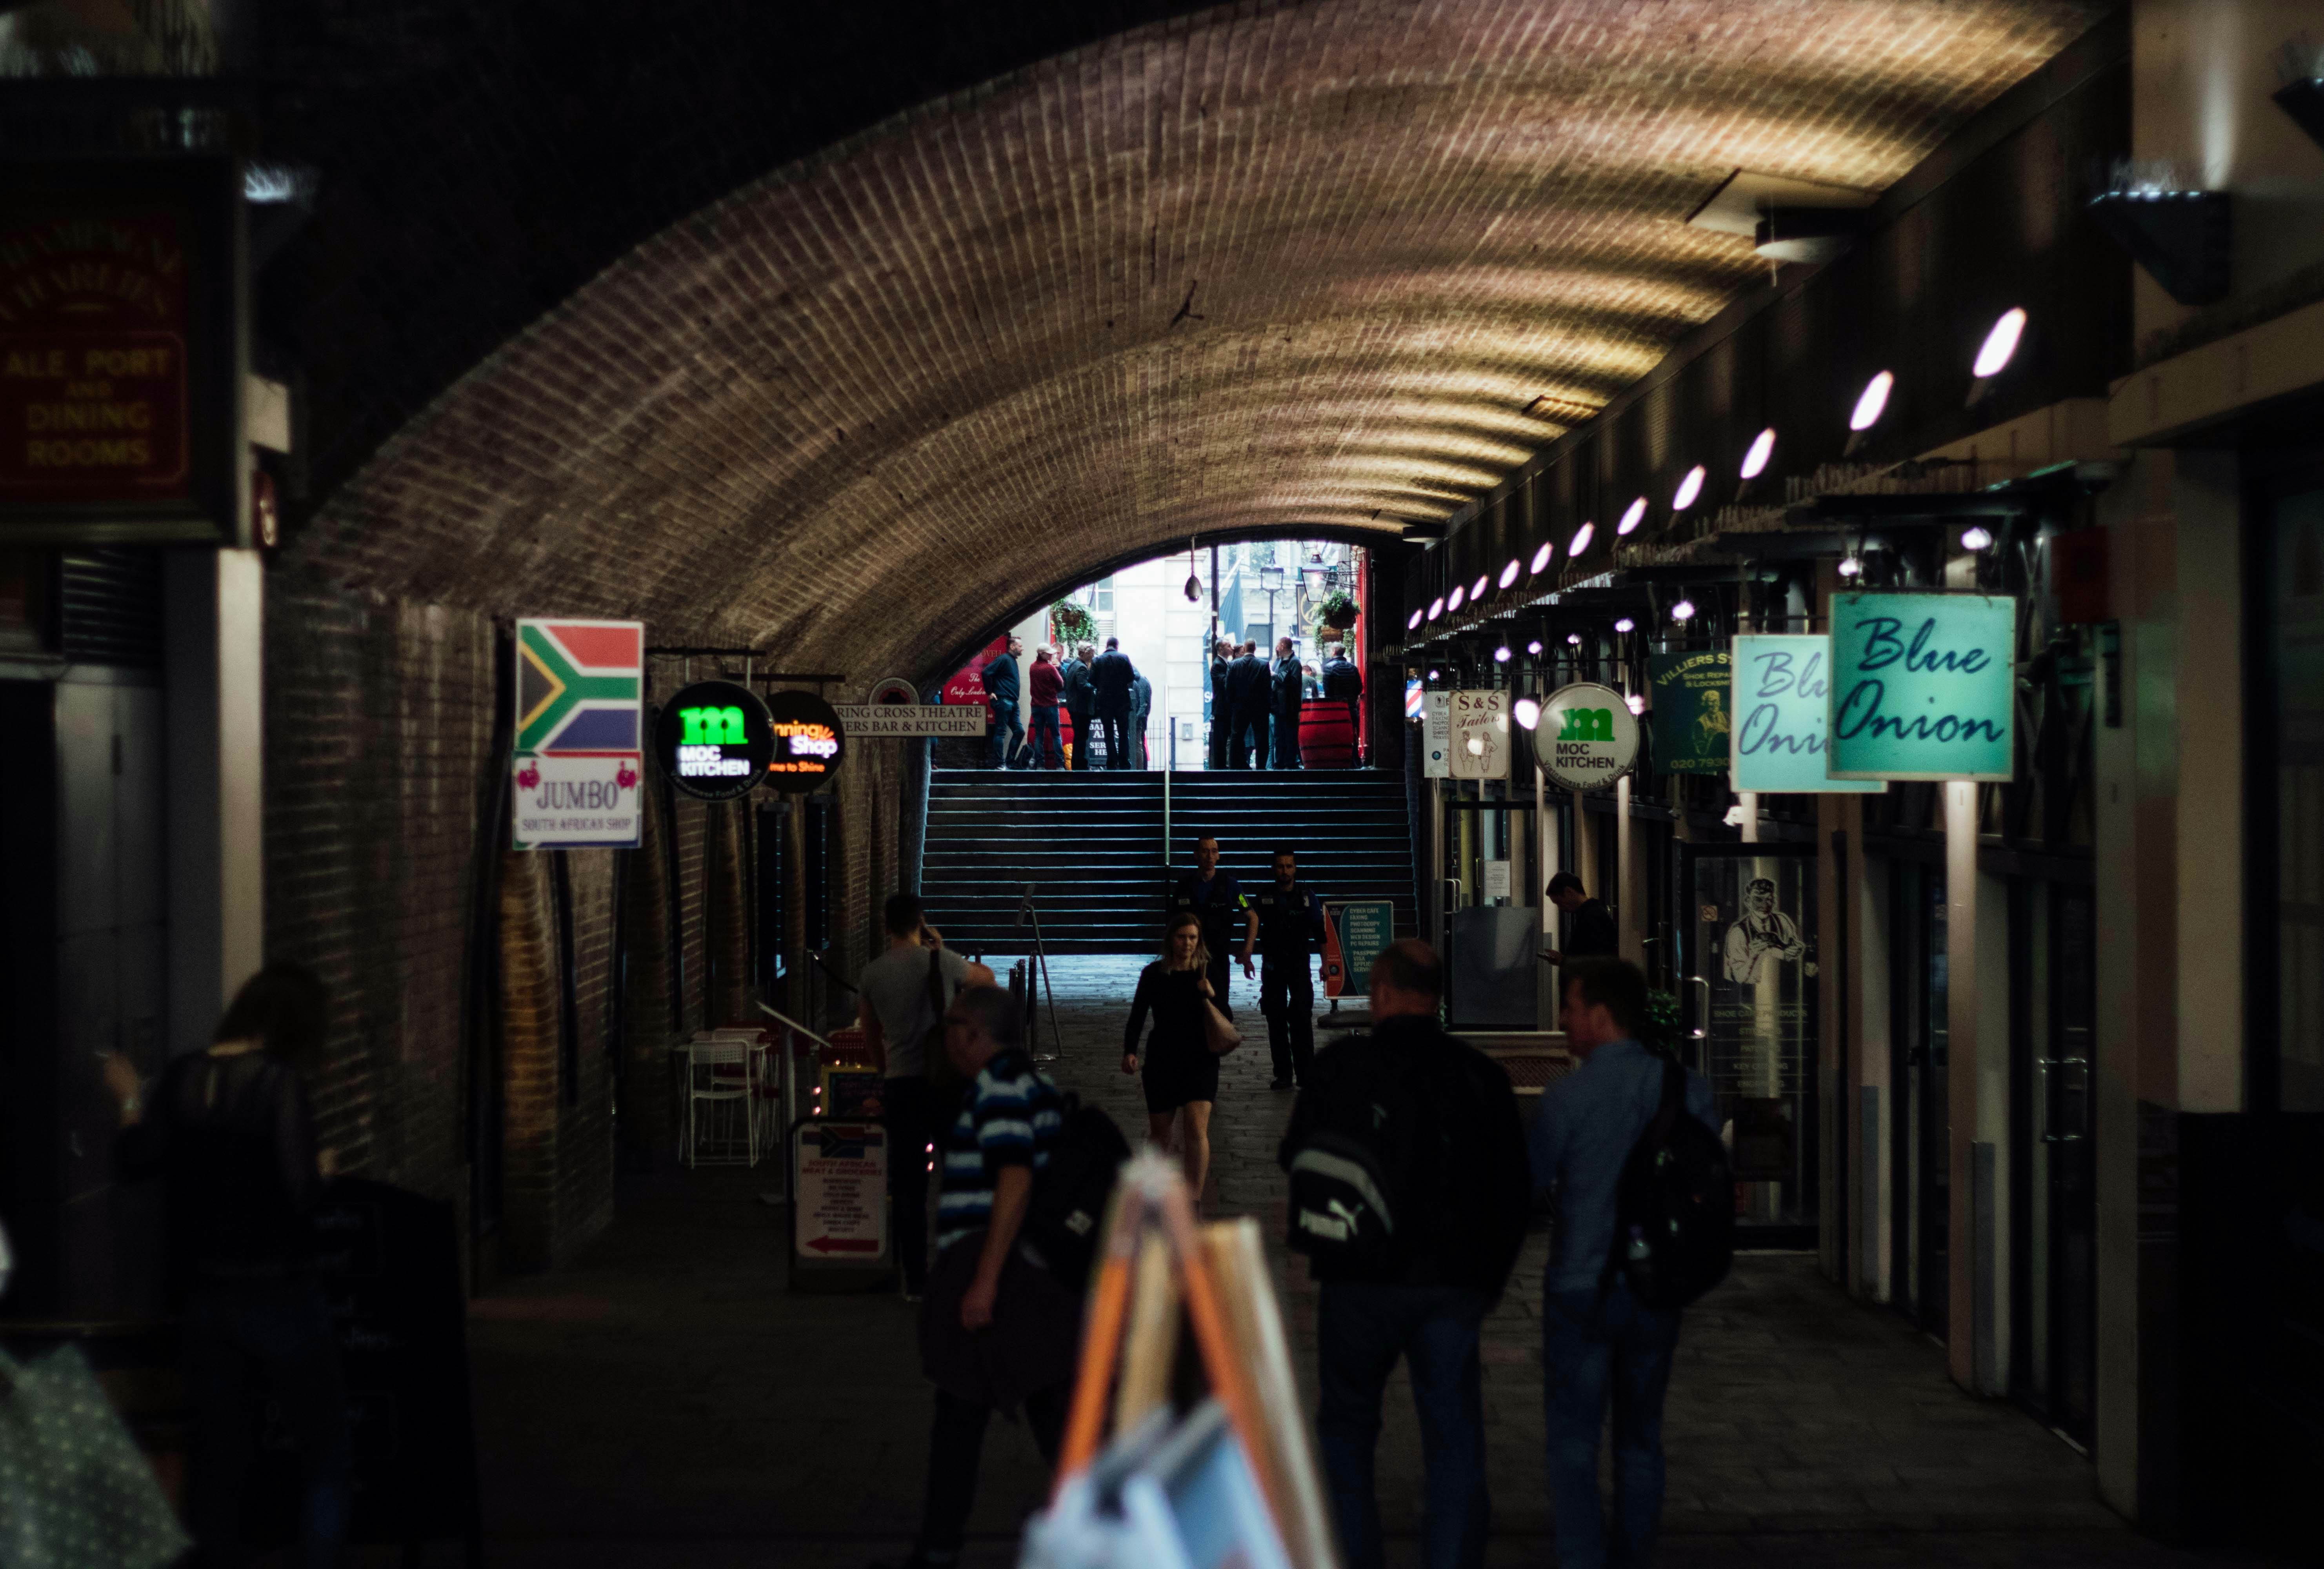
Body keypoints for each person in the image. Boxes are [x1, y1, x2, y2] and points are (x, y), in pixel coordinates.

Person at [1280, 940, 1530, 1569]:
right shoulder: (1478, 1075)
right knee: (1453, 1438)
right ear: (1437, 997)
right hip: (1450, 1282)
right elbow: (1513, 1190)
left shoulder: (1341, 1067)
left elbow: (1296, 1156)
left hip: (1357, 1278)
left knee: (1346, 1431)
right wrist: (1490, 1279)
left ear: (1382, 993)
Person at [103, 964, 353, 1569]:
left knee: (219, 1464)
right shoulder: (277, 1084)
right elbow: (301, 1199)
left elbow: (135, 1161)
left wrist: (130, 1097)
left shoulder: (184, 1075)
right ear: (294, 1028)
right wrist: (323, 1171)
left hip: (205, 1302)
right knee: (326, 1453)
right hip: (279, 1296)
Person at [1528, 958, 1717, 1569]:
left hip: (1580, 1288)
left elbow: (1527, 1183)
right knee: (1640, 1440)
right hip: (1657, 1284)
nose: (1563, 1019)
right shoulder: (1689, 1090)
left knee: (1573, 1444)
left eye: (1570, 1007)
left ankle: (1582, 1558)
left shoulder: (1566, 1098)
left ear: (1601, 1016)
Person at [892, 984, 1074, 1569]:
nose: (944, 1038)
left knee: (988, 1414)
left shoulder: (999, 1090)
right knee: (990, 1412)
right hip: (1024, 1274)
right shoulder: (1035, 1085)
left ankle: (940, 1549)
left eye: (951, 1026)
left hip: (1000, 1271)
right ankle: (939, 1546)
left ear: (974, 1033)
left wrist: (986, 1278)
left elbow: (1014, 1176)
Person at [856, 894, 997, 1299]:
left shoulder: (872, 973)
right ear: (920, 922)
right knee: (958, 1176)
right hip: (945, 1082)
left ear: (886, 926)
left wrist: (885, 1070)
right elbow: (986, 979)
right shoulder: (942, 962)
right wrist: (940, 947)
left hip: (902, 1084)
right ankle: (958, 1268)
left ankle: (915, 1280)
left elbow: (870, 1033)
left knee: (908, 1185)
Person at [1120, 914, 1229, 1203]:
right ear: (1171, 939)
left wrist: (1212, 994)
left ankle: (1194, 1199)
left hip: (1200, 1059)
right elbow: (1137, 1015)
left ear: (1199, 940)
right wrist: (1130, 1051)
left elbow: (1226, 1018)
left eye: (1193, 938)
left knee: (1196, 1128)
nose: (1187, 943)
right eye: (1182, 937)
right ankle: (1155, 1195)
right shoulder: (1153, 974)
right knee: (1160, 1134)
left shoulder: (1209, 971)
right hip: (1163, 1060)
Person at [1251, 846, 1326, 1090]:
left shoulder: (1308, 897)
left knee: (1302, 1018)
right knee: (1276, 1020)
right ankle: (1283, 1074)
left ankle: (1306, 1075)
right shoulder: (1263, 896)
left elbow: (1320, 933)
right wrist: (1247, 953)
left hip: (1299, 965)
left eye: (1289, 866)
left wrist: (1326, 964)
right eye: (1280, 866)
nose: (1285, 871)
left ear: (1295, 868)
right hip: (1273, 966)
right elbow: (1252, 924)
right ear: (1274, 869)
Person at [1169, 833, 1257, 1016]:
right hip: (1188, 958)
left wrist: (1248, 951)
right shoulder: (1184, 886)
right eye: (1205, 851)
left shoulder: (1231, 886)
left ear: (1219, 856)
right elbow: (1172, 923)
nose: (1210, 856)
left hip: (1218, 959)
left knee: (1220, 1010)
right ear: (1196, 855)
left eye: (1214, 851)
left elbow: (1253, 917)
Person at [1722, 876, 1805, 985]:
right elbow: (1739, 978)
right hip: (1750, 990)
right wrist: (1753, 956)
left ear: (1774, 902)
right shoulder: (1738, 932)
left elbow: (1792, 949)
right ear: (1748, 902)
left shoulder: (1782, 921)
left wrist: (1795, 951)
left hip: (1782, 984)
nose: (1764, 905)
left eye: (1769, 899)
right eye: (1758, 900)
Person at [1540, 870, 1618, 968]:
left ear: (1569, 892)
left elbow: (1595, 962)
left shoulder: (1592, 917)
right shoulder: (1591, 914)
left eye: (1559, 902)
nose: (1560, 908)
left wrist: (1564, 961)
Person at [1090, 636, 1136, 770]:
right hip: (1122, 701)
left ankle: (1112, 761)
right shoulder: (1124, 658)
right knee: (1123, 733)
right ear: (1117, 646)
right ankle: (1124, 761)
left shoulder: (1098, 660)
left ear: (1107, 646)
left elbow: (1092, 680)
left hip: (1105, 702)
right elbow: (1131, 677)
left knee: (1108, 732)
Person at [1227, 641, 1272, 769]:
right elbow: (1267, 689)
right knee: (1261, 738)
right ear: (1255, 649)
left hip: (1240, 707)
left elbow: (1229, 688)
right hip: (1259, 708)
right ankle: (1261, 767)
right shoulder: (1263, 665)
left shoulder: (1234, 665)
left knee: (1237, 736)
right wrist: (1267, 707)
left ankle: (1235, 766)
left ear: (1245, 648)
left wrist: (1233, 705)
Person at [981, 635, 1024, 770]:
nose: (1022, 649)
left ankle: (1009, 762)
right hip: (1004, 700)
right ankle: (1000, 764)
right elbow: (986, 672)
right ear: (1012, 646)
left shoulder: (1011, 660)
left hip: (1012, 702)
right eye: (1020, 646)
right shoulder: (1004, 659)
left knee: (1019, 732)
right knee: (1001, 732)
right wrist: (990, 692)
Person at [1322, 643, 1364, 762]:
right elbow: (1359, 687)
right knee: (1352, 732)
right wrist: (1352, 698)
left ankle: (1338, 758)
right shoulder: (1353, 668)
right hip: (1351, 707)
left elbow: (1327, 690)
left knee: (1336, 733)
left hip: (1336, 708)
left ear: (1334, 651)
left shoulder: (1329, 667)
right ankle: (1354, 758)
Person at [1025, 646, 1065, 770]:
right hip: (1051, 705)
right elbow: (1061, 684)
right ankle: (1060, 765)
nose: (1052, 655)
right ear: (1042, 654)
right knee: (1056, 735)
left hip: (1036, 706)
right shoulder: (1050, 668)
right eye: (1049, 654)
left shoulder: (1032, 667)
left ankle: (1040, 765)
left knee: (1039, 736)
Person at [1271, 635, 1305, 768]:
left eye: (1278, 646)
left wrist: (1276, 677)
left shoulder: (1294, 662)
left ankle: (1289, 763)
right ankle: (1280, 762)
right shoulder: (1281, 661)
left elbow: (1294, 682)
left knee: (1290, 736)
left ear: (1283, 646)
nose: (1277, 648)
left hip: (1289, 706)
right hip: (1279, 706)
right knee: (1279, 736)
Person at [1060, 643, 1095, 771]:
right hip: (1081, 708)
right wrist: (1095, 686)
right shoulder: (1082, 667)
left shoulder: (1073, 664)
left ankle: (1077, 764)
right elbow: (1083, 686)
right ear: (1086, 653)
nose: (1093, 656)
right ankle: (1080, 765)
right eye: (1092, 653)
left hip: (1073, 706)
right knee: (1082, 737)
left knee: (1079, 736)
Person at [1208, 638, 1235, 768]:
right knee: (1221, 741)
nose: (1232, 648)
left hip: (1227, 709)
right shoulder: (1218, 665)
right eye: (1228, 646)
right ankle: (1220, 768)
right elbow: (1226, 683)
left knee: (1227, 739)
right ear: (1221, 649)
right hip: (1222, 709)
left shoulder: (1225, 664)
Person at [1128, 668, 1153, 769]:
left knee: (1137, 744)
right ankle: (1142, 769)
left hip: (1135, 718)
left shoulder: (1132, 682)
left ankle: (1138, 768)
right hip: (1142, 718)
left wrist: (1135, 718)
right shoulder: (1145, 682)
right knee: (1141, 744)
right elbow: (1146, 704)